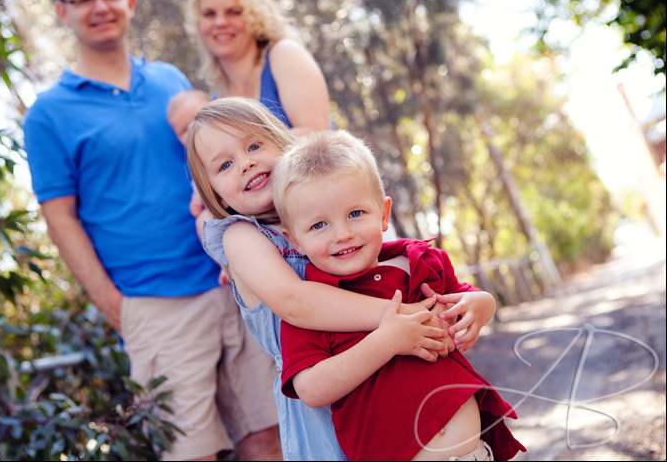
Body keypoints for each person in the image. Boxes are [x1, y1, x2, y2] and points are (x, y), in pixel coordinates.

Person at [22, 0, 281, 460]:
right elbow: (60, 218)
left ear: (130, 2)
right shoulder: (49, 115)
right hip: (154, 305)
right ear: (62, 11)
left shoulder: (171, 81)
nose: (100, 7)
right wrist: (115, 306)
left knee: (270, 438)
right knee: (192, 452)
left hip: (235, 284)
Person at [185, 97, 497, 460]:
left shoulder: (332, 209)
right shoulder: (240, 236)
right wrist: (401, 318)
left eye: (254, 145)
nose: (246, 163)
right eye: (224, 165)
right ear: (212, 192)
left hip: (394, 383)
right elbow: (296, 303)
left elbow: (403, 268)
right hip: (322, 388)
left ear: (282, 142)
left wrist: (477, 304)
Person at [272, 130, 527, 461]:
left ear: (383, 213)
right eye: (319, 225)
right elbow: (311, 389)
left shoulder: (418, 263)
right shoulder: (315, 304)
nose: (342, 234)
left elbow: (465, 299)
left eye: (355, 214)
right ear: (295, 241)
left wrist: (483, 305)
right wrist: (387, 341)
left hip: (474, 452)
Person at [186, 0, 331, 136]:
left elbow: (316, 133)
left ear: (255, 15)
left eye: (234, 12)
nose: (220, 22)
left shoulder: (285, 54)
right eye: (209, 14)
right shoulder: (214, 106)